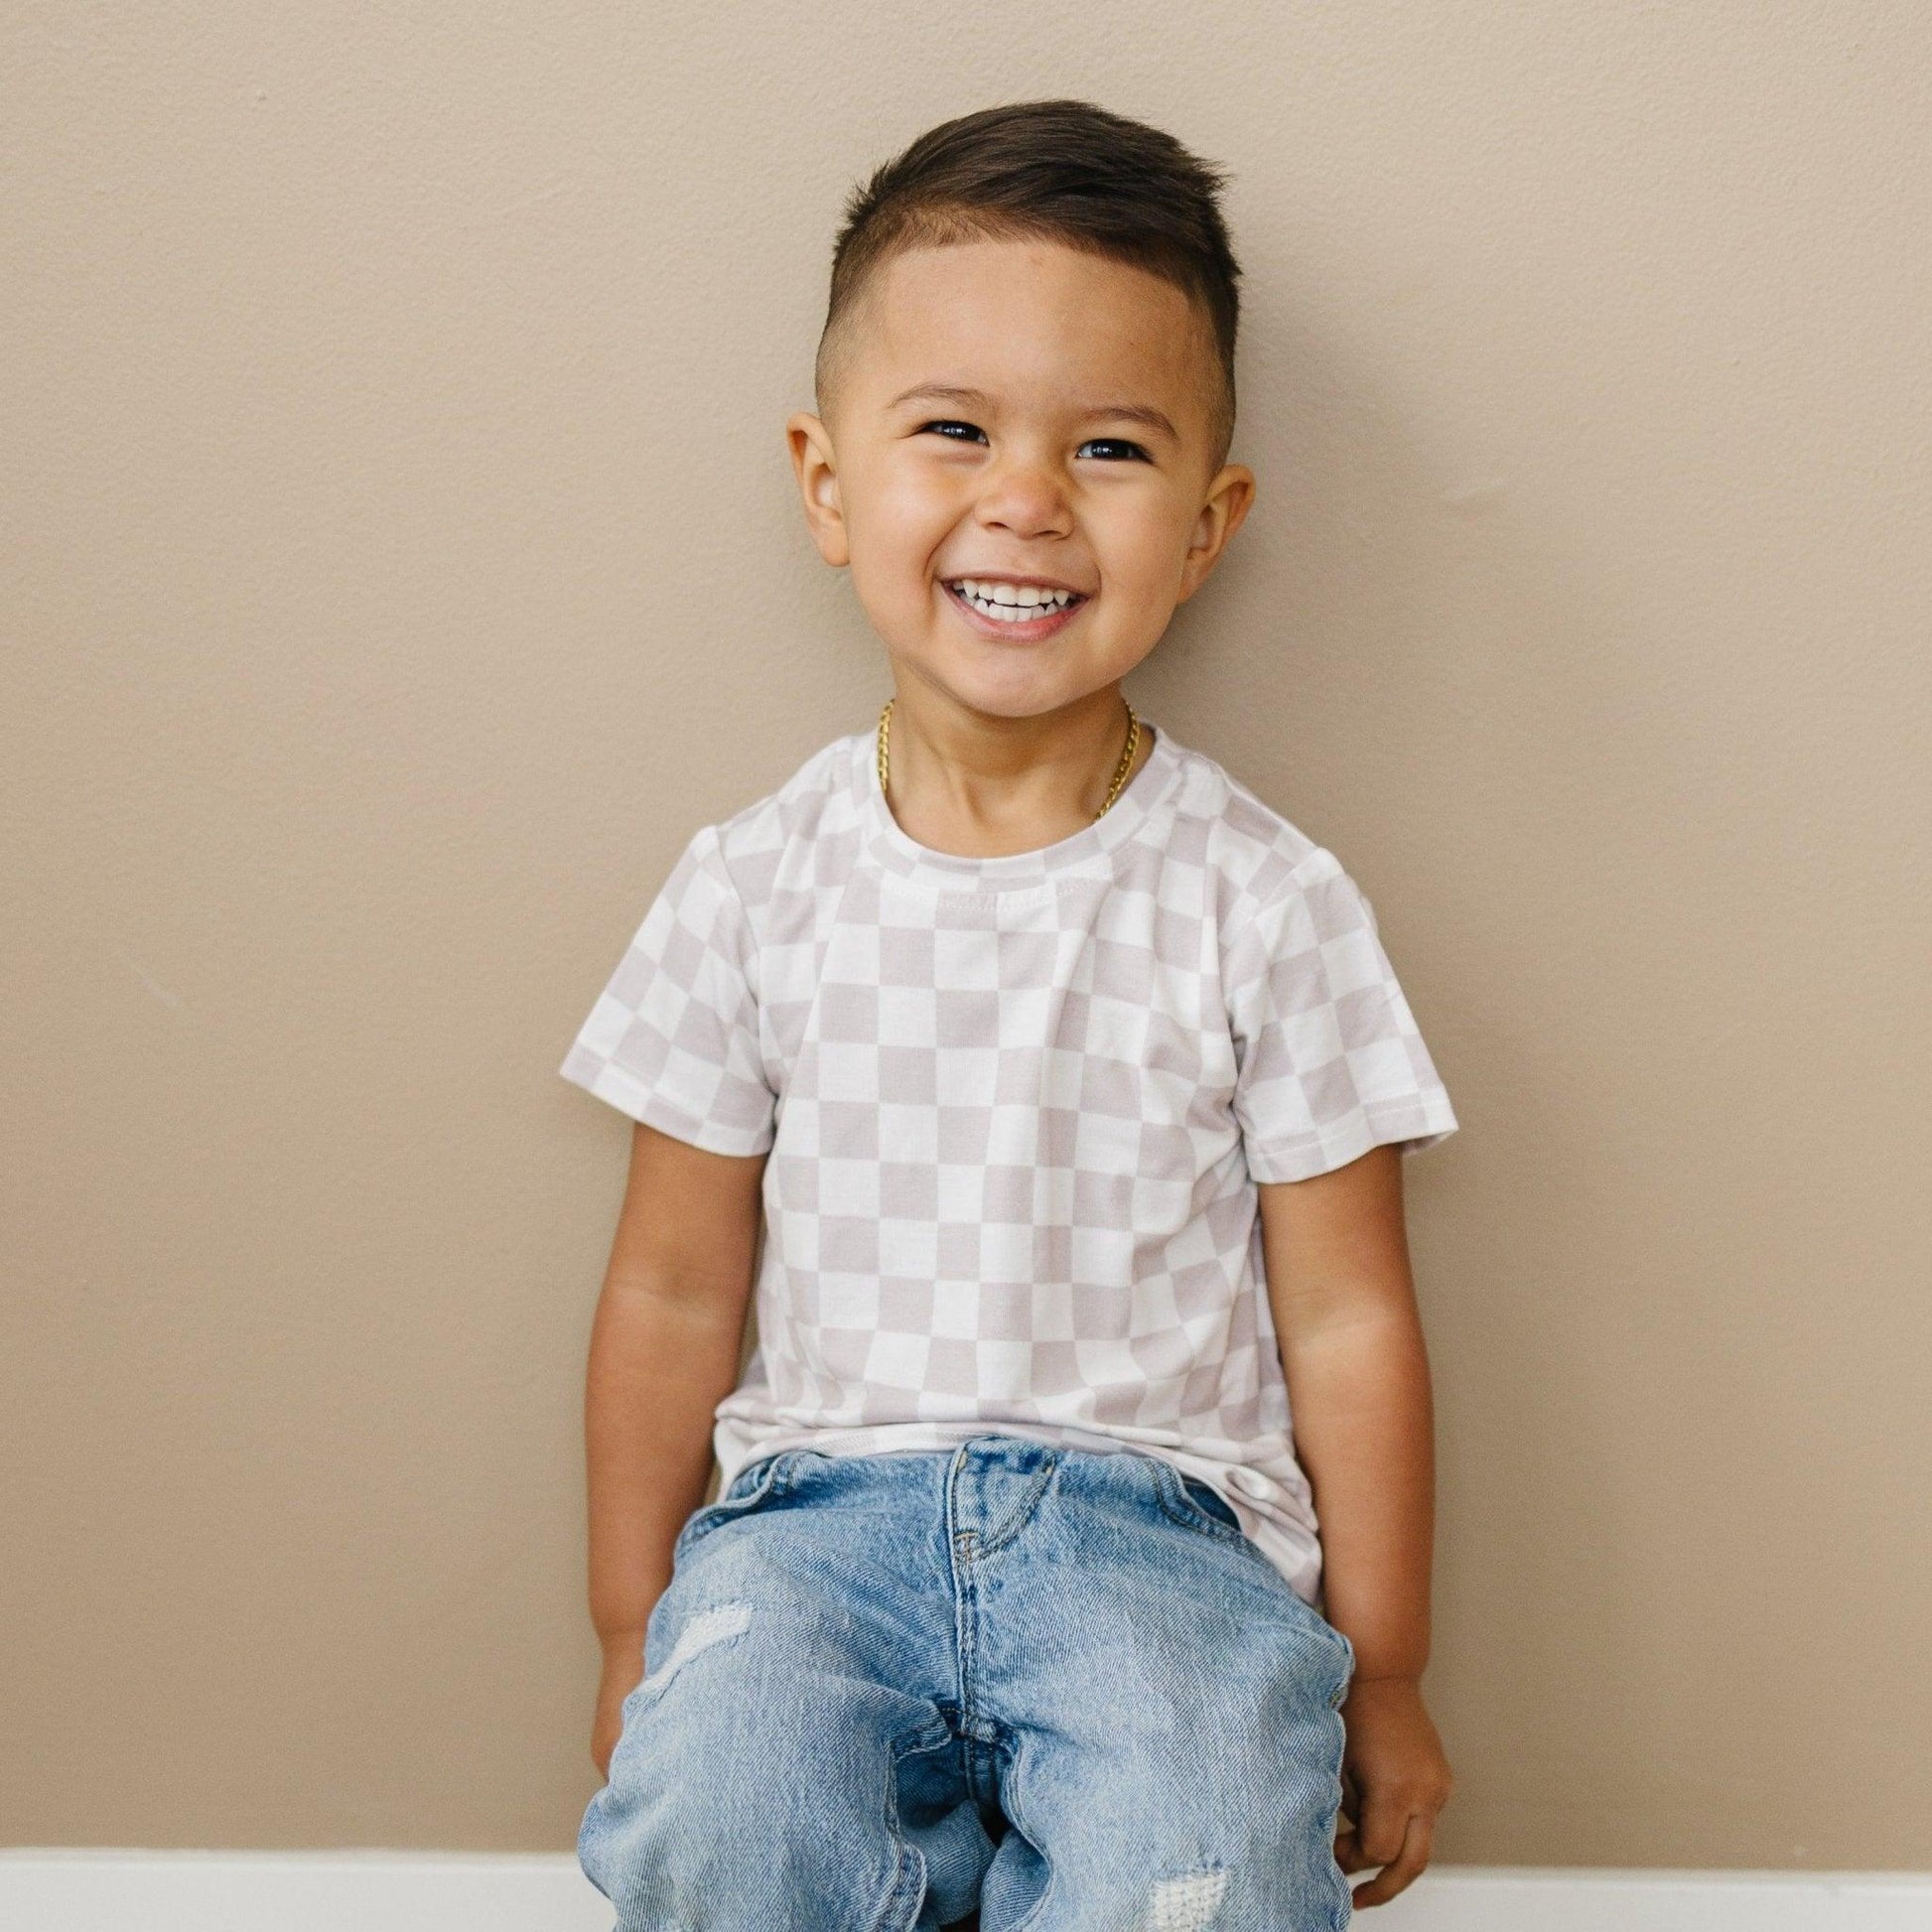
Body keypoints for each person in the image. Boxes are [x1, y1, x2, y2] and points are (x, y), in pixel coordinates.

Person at [561, 98, 1459, 1930]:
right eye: (953, 429)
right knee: (722, 1823)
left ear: (1207, 524)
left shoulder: (1264, 900)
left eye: (1109, 446)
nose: (1026, 498)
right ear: (829, 482)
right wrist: (633, 1623)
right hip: (811, 1526)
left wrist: (1383, 1667)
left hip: (1164, 1542)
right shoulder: (748, 884)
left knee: (1196, 1861)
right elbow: (666, 1284)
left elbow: (1351, 1310)